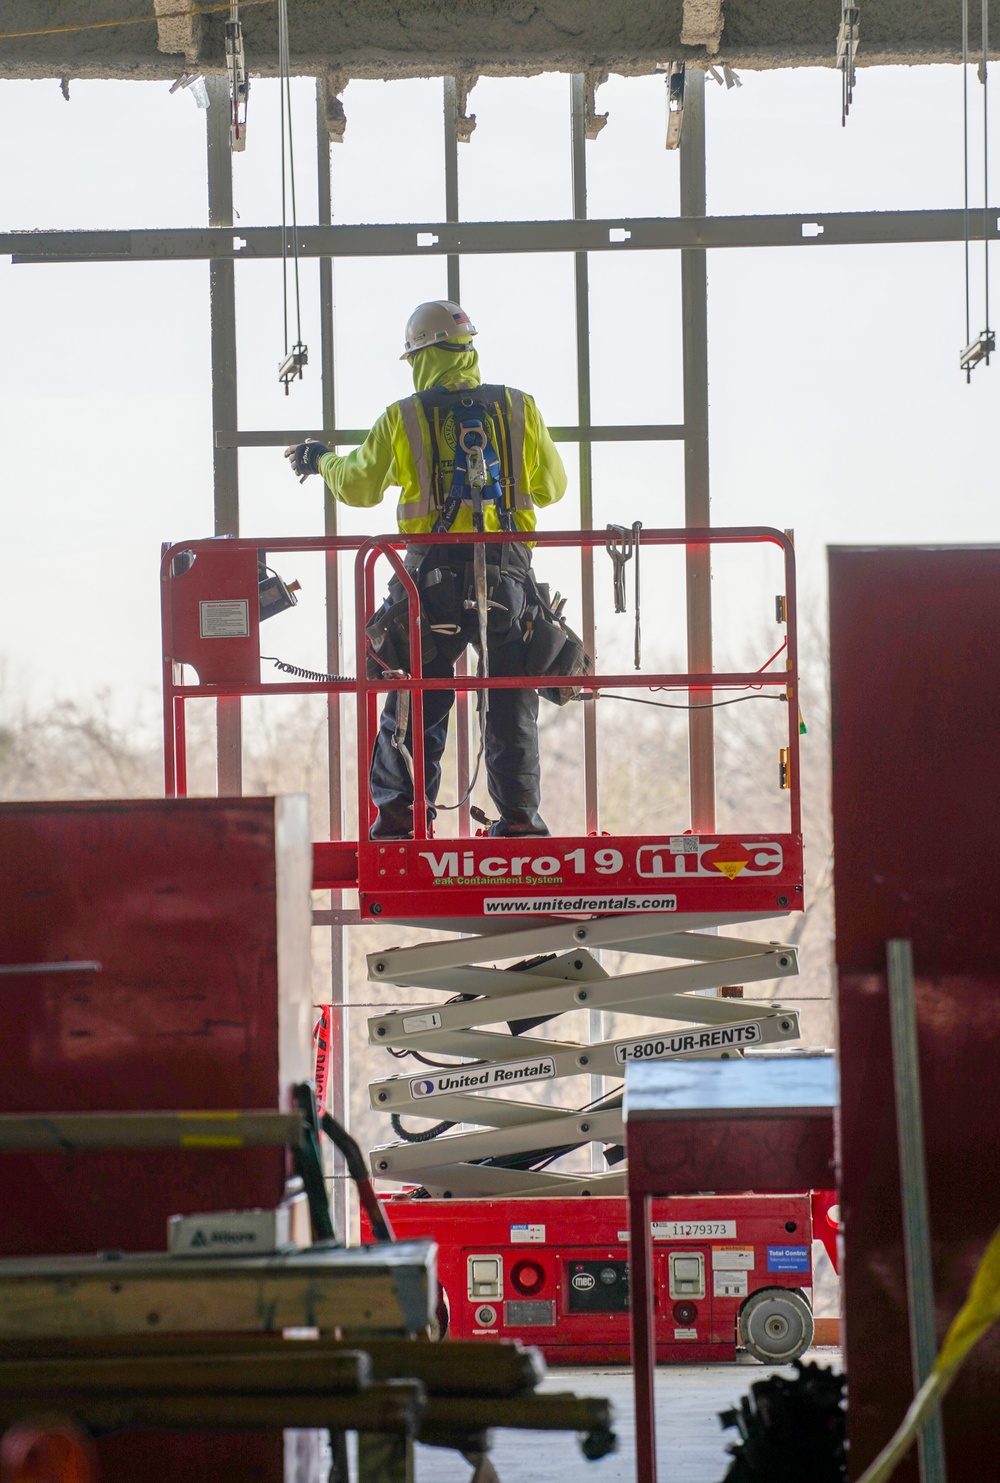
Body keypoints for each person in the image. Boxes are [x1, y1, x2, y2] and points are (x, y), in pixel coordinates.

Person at [285, 300, 567, 839]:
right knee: (511, 698)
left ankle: (400, 820)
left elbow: (359, 487)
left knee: (415, 693)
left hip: (428, 587)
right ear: (469, 349)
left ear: (417, 356)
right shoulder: (519, 408)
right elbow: (552, 488)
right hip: (508, 579)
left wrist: (320, 459)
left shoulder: (405, 416)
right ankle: (520, 822)